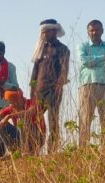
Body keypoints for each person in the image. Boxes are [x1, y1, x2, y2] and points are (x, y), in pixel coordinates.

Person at [77, 19, 105, 146]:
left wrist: (95, 60)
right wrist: (103, 57)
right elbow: (84, 62)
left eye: (97, 30)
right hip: (87, 85)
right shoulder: (83, 46)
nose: (95, 32)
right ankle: (83, 151)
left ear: (102, 31)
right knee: (85, 119)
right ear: (87, 32)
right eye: (92, 30)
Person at [30, 19, 69, 153]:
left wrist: (58, 86)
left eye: (47, 31)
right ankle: (33, 150)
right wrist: (32, 89)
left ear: (54, 31)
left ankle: (52, 151)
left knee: (53, 121)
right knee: (34, 121)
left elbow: (64, 70)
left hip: (54, 90)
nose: (44, 34)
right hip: (39, 91)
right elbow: (35, 71)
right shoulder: (40, 48)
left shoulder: (63, 49)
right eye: (43, 31)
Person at [0, 88, 46, 155]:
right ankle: (14, 152)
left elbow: (30, 112)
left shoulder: (32, 103)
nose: (11, 104)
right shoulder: (11, 108)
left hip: (38, 137)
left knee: (22, 121)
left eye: (12, 101)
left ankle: (28, 151)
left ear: (19, 98)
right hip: (21, 138)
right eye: (9, 101)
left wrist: (9, 116)